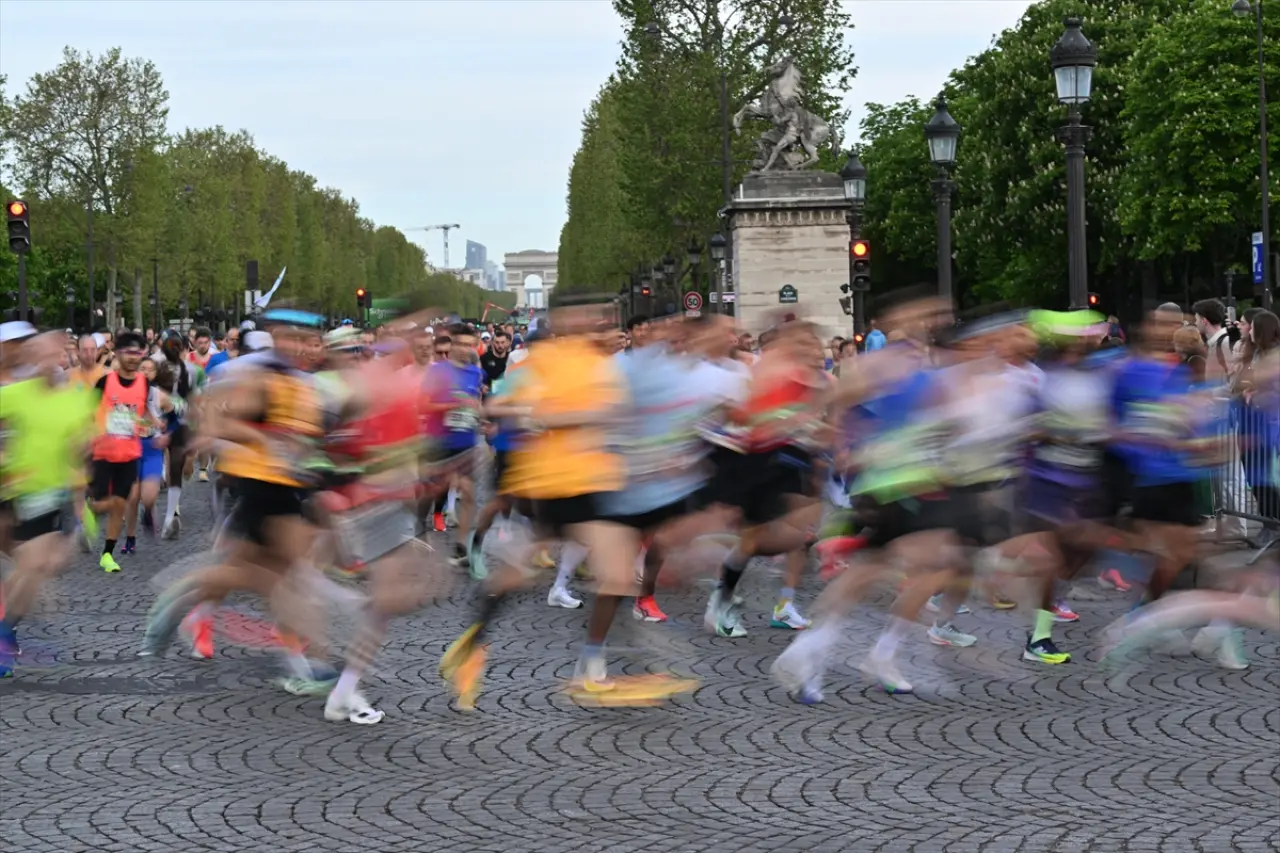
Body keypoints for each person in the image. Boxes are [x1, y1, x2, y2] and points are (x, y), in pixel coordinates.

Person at [86, 331, 150, 573]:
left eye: (138, 353)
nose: (133, 358)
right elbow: (88, 412)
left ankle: (107, 555)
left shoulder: (144, 383)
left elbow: (143, 413)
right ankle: (90, 508)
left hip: (130, 454)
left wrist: (149, 424)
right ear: (118, 354)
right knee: (103, 503)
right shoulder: (104, 382)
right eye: (129, 353)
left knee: (120, 505)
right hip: (103, 453)